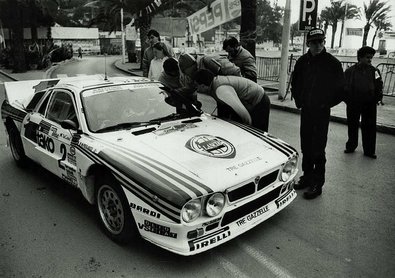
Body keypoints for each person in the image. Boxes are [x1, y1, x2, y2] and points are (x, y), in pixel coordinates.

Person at [291, 28, 345, 200]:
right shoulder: (302, 61)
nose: (318, 45)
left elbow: (341, 89)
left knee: (318, 149)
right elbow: (296, 82)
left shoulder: (333, 63)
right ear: (308, 43)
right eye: (314, 42)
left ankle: (317, 183)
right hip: (306, 110)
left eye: (321, 41)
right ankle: (307, 177)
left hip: (321, 112)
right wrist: (299, 101)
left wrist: (325, 104)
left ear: (324, 42)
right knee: (306, 146)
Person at [194, 69, 270, 132]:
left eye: (197, 86)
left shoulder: (221, 90)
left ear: (203, 85)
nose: (197, 89)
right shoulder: (214, 83)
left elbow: (244, 115)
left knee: (258, 133)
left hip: (259, 100)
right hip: (249, 100)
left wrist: (247, 131)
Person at [344, 46, 383, 159]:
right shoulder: (350, 71)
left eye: (371, 57)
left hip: (369, 104)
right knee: (352, 125)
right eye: (367, 57)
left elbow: (379, 86)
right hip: (353, 103)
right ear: (360, 58)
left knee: (369, 127)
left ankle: (369, 150)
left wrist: (376, 99)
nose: (370, 60)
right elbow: (344, 87)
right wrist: (348, 100)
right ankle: (351, 146)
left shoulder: (374, 71)